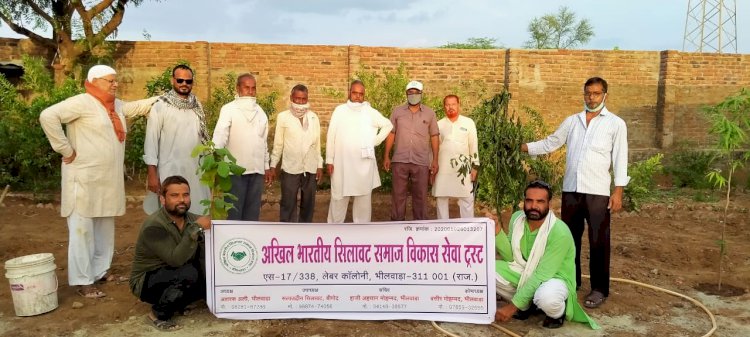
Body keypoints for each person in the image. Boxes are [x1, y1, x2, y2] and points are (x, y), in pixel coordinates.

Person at [39, 65, 157, 298]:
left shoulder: (116, 106)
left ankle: (101, 271)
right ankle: (83, 281)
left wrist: (165, 98)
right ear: (94, 81)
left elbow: (139, 106)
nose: (115, 84)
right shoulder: (82, 102)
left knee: (104, 228)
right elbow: (48, 116)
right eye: (110, 81)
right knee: (82, 230)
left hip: (107, 181)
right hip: (83, 179)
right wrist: (64, 149)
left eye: (115, 80)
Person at [521, 77, 629, 309]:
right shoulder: (573, 121)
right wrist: (525, 147)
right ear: (583, 94)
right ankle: (572, 281)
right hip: (571, 190)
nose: (591, 97)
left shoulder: (615, 123)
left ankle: (599, 289)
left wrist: (617, 191)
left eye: (596, 93)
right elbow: (551, 143)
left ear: (605, 95)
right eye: (588, 93)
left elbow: (621, 157)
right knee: (569, 240)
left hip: (598, 192)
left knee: (599, 241)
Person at [493, 180, 598, 329]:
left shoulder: (559, 232)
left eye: (540, 201)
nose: (534, 206)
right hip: (524, 271)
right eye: (529, 201)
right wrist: (497, 231)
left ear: (549, 203)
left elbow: (542, 275)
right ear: (524, 202)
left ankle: (557, 313)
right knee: (484, 270)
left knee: (546, 297)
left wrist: (512, 307)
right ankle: (527, 304)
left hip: (554, 278)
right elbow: (511, 257)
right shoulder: (517, 219)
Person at [130, 175, 211, 331]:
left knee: (206, 273)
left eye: (185, 195)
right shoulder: (153, 226)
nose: (181, 200)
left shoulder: (191, 218)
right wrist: (195, 229)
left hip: (174, 273)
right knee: (189, 273)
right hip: (147, 280)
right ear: (162, 199)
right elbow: (176, 260)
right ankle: (157, 314)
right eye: (174, 195)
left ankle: (179, 302)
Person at [143, 64, 211, 215]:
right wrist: (152, 174)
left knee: (197, 210)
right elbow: (151, 141)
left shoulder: (196, 105)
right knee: (172, 212)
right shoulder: (160, 106)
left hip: (196, 169)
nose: (184, 84)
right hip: (170, 168)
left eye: (188, 81)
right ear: (172, 80)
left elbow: (203, 139)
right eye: (180, 80)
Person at [326, 80, 393, 223]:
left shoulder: (370, 112)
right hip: (341, 165)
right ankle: (332, 231)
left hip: (363, 165)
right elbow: (331, 135)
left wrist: (374, 141)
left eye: (361, 94)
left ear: (364, 95)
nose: (357, 97)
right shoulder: (340, 110)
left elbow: (388, 125)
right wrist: (329, 160)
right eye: (355, 93)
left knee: (363, 202)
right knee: (338, 197)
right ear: (349, 93)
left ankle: (361, 233)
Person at [212, 73, 270, 221]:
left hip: (257, 171)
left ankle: (249, 242)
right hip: (234, 172)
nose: (250, 92)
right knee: (234, 213)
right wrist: (216, 164)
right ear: (238, 88)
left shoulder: (261, 112)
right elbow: (220, 137)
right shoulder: (228, 109)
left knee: (252, 214)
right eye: (246, 88)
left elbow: (263, 142)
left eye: (253, 88)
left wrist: (266, 165)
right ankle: (234, 242)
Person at [383, 80, 439, 221]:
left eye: (416, 93)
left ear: (421, 94)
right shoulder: (397, 112)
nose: (413, 95)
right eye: (410, 93)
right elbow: (391, 133)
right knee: (398, 194)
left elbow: (434, 136)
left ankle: (419, 226)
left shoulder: (429, 113)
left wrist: (435, 160)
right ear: (406, 94)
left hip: (421, 162)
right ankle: (397, 224)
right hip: (400, 160)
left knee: (420, 196)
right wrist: (386, 156)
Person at [269, 84, 323, 222]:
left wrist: (319, 165)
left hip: (310, 167)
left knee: (308, 204)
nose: (300, 102)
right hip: (290, 168)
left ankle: (304, 233)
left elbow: (316, 144)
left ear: (307, 99)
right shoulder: (283, 117)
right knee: (288, 203)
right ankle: (287, 234)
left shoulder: (313, 118)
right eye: (297, 98)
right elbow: (278, 144)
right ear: (291, 98)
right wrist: (273, 165)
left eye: (303, 99)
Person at [432, 95, 479, 219]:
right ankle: (443, 229)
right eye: (447, 105)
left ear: (459, 105)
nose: (450, 107)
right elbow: (433, 149)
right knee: (441, 197)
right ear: (444, 107)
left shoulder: (468, 123)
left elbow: (473, 145)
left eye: (453, 104)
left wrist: (475, 166)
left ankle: (467, 228)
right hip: (443, 167)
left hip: (463, 167)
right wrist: (432, 168)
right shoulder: (438, 124)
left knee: (467, 198)